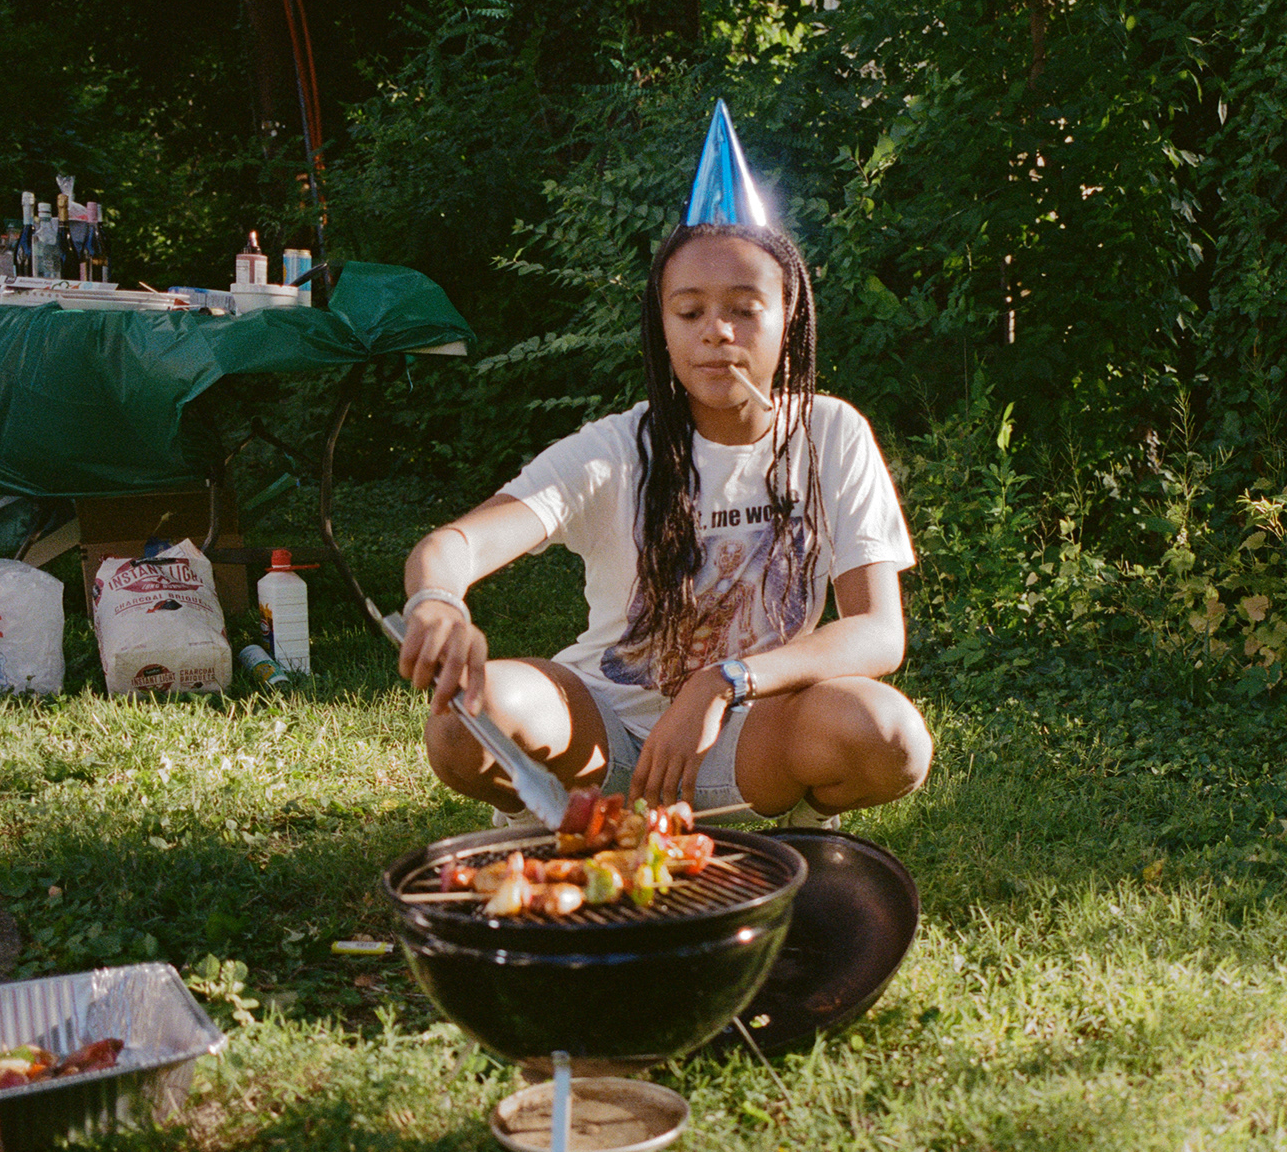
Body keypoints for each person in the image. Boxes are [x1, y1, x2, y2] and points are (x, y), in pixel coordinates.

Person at [397, 111, 932, 827]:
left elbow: (877, 631)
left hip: (753, 743)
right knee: (460, 726)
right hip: (604, 742)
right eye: (690, 312)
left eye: (744, 309)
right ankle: (559, 818)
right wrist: (438, 603)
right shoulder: (617, 449)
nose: (717, 332)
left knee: (891, 737)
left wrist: (723, 681)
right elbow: (454, 544)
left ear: (789, 315)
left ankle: (796, 826)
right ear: (663, 326)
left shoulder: (830, 433)